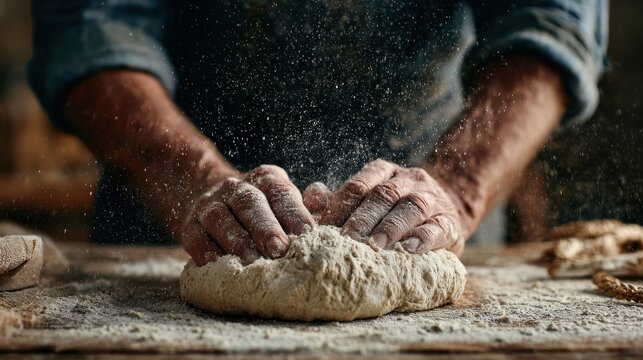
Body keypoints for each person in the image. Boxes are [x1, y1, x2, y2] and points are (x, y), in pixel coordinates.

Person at [29, 1, 608, 265]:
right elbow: (92, 27)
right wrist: (191, 180)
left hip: (422, 224)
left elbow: (551, 26)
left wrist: (455, 188)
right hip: (173, 236)